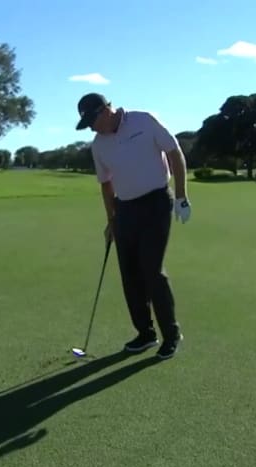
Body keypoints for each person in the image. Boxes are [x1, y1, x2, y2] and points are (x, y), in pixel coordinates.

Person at [76, 92, 190, 360]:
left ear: (106, 111)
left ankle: (171, 335)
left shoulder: (143, 121)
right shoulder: (98, 145)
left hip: (156, 202)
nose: (92, 127)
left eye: (93, 121)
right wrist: (111, 220)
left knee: (152, 270)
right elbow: (106, 184)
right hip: (124, 208)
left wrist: (182, 196)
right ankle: (146, 333)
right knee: (129, 273)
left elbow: (175, 153)